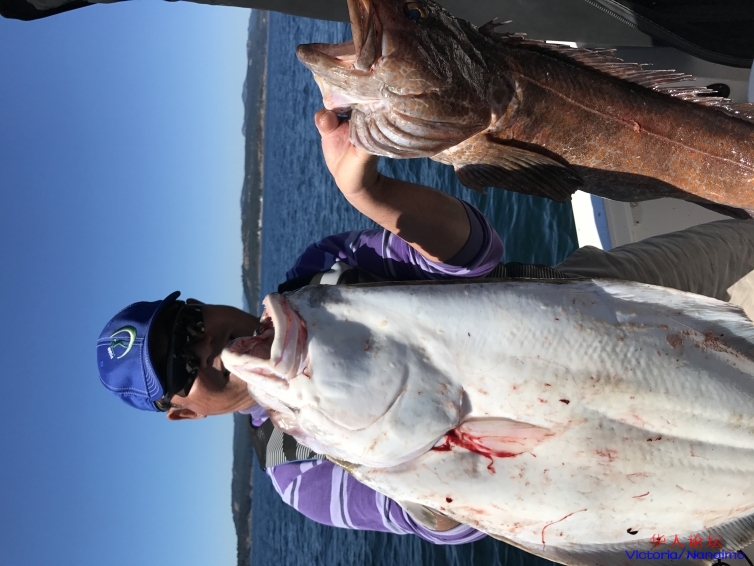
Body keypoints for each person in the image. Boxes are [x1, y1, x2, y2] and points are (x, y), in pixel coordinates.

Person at [97, 108, 754, 543]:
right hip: (619, 472)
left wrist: (370, 194)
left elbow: (478, 256)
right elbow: (455, 525)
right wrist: (411, 465)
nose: (205, 346)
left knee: (742, 244)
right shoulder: (297, 474)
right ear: (184, 412)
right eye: (180, 366)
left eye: (188, 323)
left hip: (601, 315)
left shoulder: (319, 280)